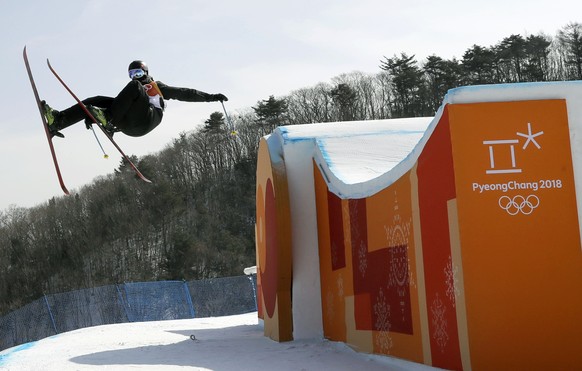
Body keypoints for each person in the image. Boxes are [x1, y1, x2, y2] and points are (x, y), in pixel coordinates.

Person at [42, 60, 228, 138]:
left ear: (146, 72)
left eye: (138, 72)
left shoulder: (154, 87)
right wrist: (92, 115)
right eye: (131, 73)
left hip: (145, 122)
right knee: (96, 99)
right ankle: (59, 121)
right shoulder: (135, 89)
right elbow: (122, 104)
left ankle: (107, 118)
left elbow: (184, 93)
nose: (135, 76)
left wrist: (211, 97)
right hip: (128, 123)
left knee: (135, 89)